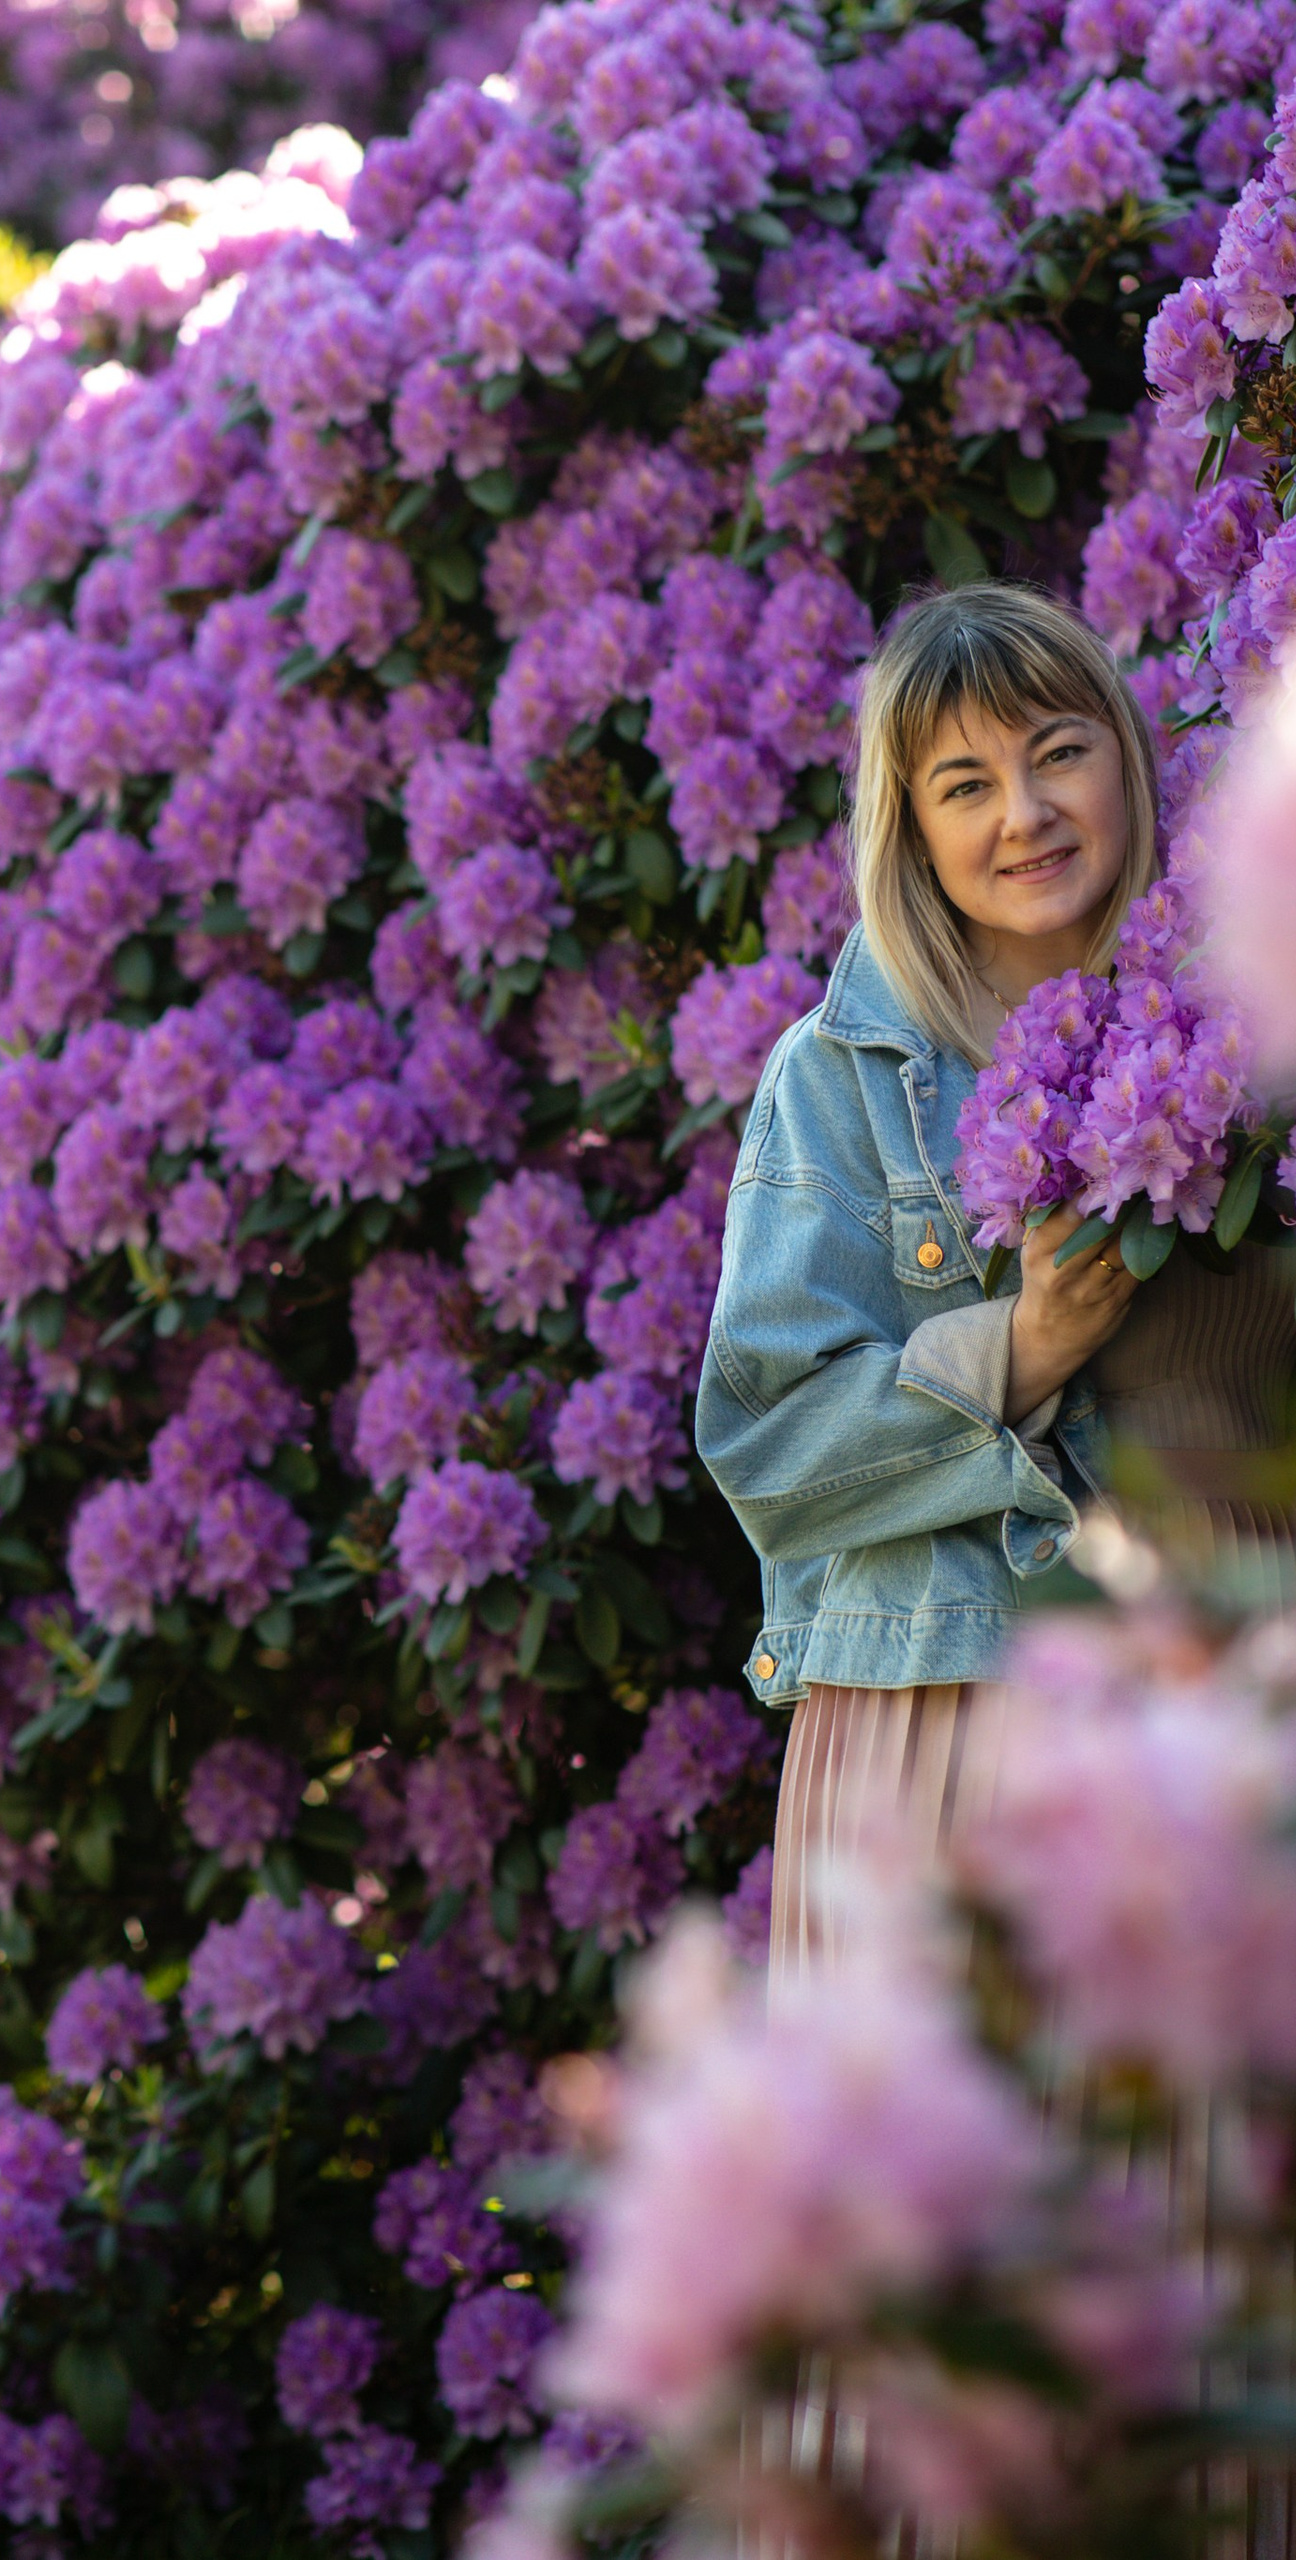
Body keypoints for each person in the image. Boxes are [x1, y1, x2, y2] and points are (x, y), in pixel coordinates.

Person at [696, 579, 1295, 2556]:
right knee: (956, 2259)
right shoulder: (833, 1081)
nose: (1021, 809)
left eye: (1054, 750)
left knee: (1171, 2209)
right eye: (962, 780)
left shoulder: (1233, 1025)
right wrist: (1008, 1354)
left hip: (1182, 1732)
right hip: (932, 1729)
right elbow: (765, 1438)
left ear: (1124, 761)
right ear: (907, 822)